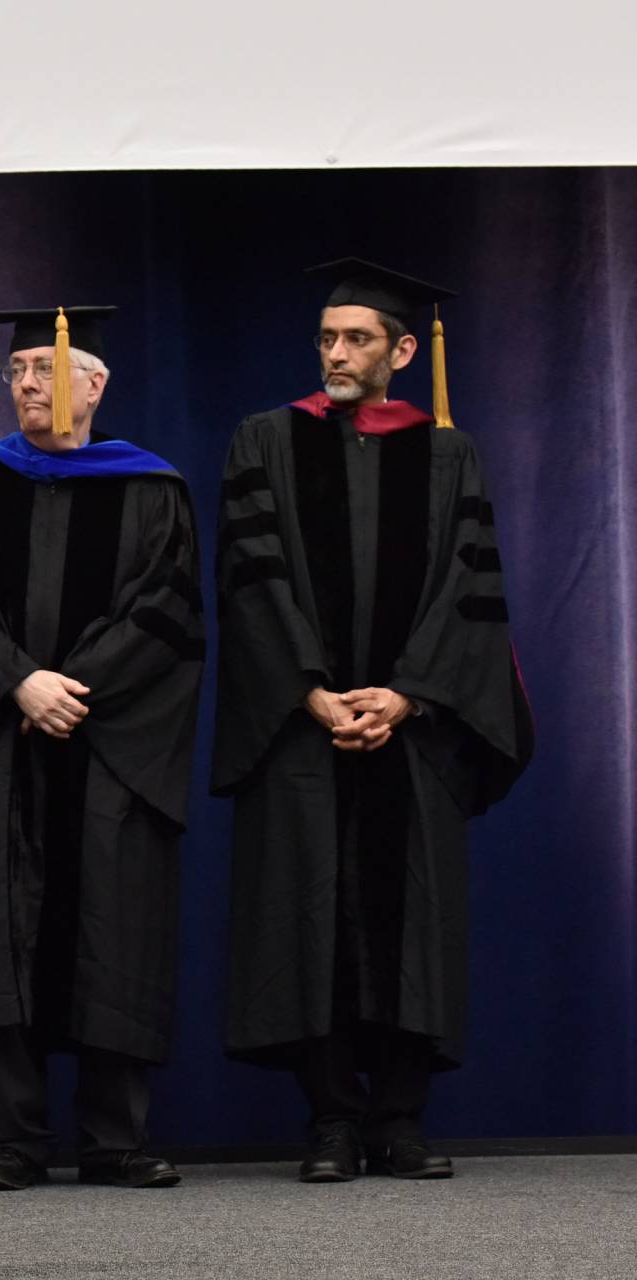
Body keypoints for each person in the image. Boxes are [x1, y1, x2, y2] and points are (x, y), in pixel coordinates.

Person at [214, 260, 533, 1183]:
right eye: (327, 337)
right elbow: (252, 582)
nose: (338, 353)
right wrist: (311, 692)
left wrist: (409, 693)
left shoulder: (447, 455)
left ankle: (398, 1120)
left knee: (409, 922)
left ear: (402, 350)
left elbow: (466, 587)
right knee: (309, 917)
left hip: (413, 733)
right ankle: (330, 1121)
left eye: (357, 338)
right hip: (303, 729)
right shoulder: (264, 441)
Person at [0, 306, 201, 1192]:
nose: (29, 385)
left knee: (113, 928)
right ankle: (14, 1139)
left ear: (96, 383)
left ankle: (115, 1139)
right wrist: (19, 683)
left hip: (111, 745)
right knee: (5, 934)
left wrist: (75, 687)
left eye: (46, 367)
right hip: (4, 741)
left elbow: (169, 613)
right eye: (16, 370)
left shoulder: (153, 489)